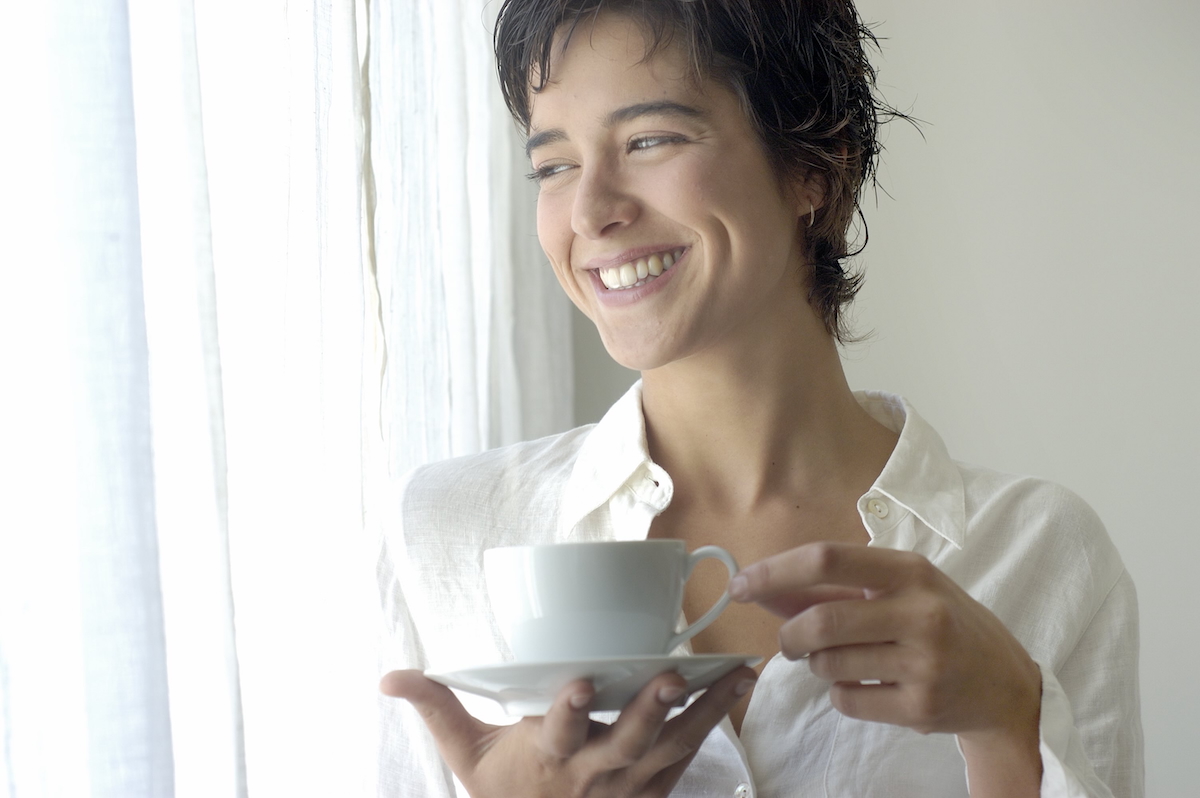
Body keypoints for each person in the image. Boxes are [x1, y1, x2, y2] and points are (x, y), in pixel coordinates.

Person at [377, 1, 1143, 796]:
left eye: (650, 140)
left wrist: (1008, 727)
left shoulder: (1041, 554)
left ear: (816, 163)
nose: (591, 212)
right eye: (555, 165)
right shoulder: (442, 534)